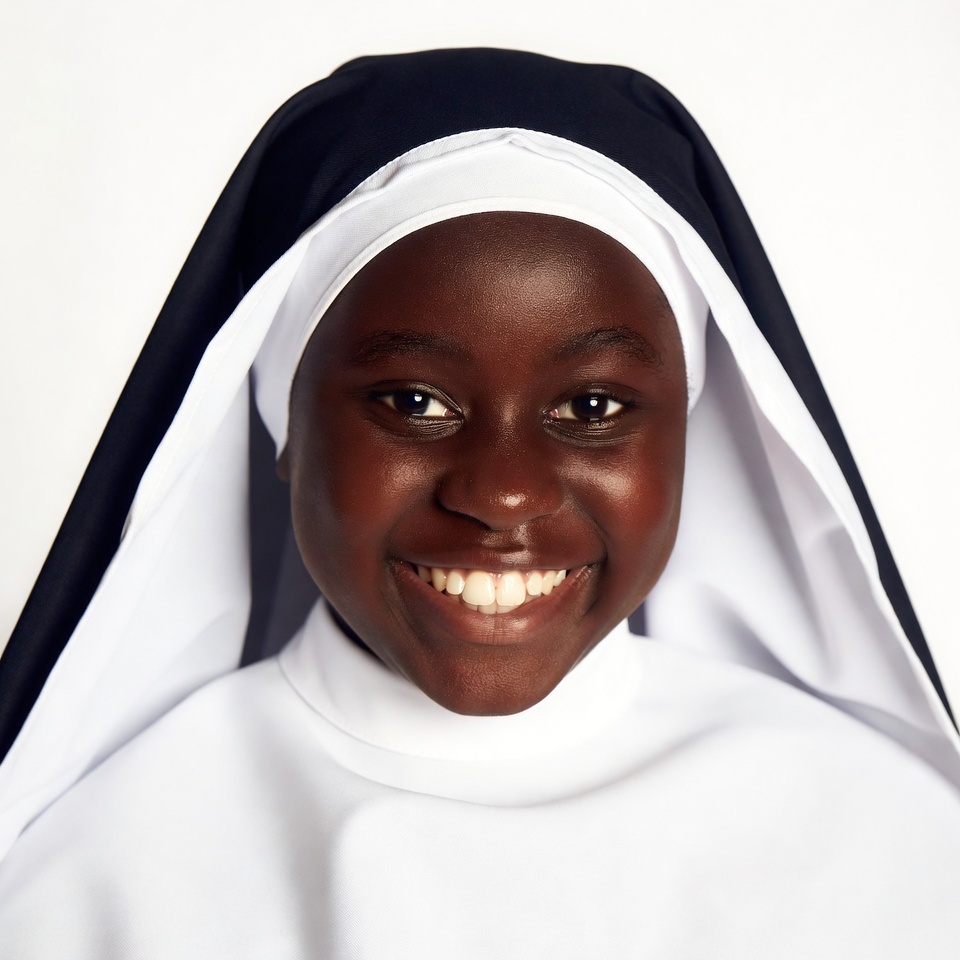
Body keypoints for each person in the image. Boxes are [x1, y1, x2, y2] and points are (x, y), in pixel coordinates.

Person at [1, 48, 959, 957]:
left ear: (688, 436)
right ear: (284, 424)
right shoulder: (92, 881)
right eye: (413, 403)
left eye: (593, 408)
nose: (504, 495)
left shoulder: (890, 848)